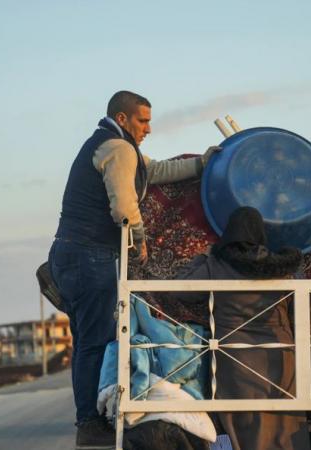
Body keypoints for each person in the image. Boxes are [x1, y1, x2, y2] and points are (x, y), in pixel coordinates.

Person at [48, 90, 220, 449]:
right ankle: (90, 423)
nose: (149, 128)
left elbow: (154, 171)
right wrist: (138, 239)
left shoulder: (112, 147)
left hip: (70, 254)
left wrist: (200, 164)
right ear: (123, 118)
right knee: (96, 342)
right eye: (143, 120)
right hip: (89, 255)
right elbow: (124, 206)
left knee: (85, 342)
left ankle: (88, 420)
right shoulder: (118, 148)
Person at [175, 206, 311, 450]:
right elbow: (301, 306)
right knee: (284, 420)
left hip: (235, 357)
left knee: (243, 422)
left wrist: (204, 257)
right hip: (280, 353)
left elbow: (181, 289)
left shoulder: (217, 265)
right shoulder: (281, 266)